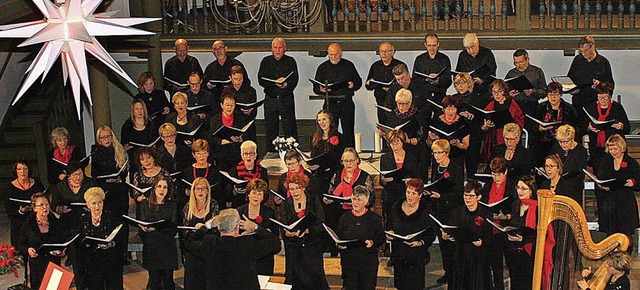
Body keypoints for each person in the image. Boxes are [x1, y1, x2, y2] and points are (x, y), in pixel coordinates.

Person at [186, 209, 278, 290]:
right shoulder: (247, 243)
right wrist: (256, 228)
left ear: (218, 227)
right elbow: (275, 243)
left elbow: (189, 243)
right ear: (237, 226)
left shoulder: (209, 243)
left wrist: (206, 226)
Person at [540, 154, 582, 289]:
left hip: (563, 225)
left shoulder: (567, 186)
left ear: (559, 168)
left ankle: (561, 286)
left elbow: (572, 207)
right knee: (548, 258)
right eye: (546, 166)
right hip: (548, 226)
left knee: (561, 259)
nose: (548, 169)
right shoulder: (544, 184)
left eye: (552, 166)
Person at [281, 173, 330, 289]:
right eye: (291, 189)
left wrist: (307, 230)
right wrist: (287, 232)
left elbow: (322, 224)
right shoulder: (286, 203)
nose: (294, 192)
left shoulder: (313, 200)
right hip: (294, 249)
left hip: (312, 247)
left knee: (315, 281)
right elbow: (284, 225)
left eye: (297, 188)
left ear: (303, 187)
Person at [386, 178, 436, 290]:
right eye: (408, 192)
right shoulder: (396, 206)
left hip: (416, 256)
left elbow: (432, 233)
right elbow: (389, 225)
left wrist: (421, 242)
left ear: (420, 195)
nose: (410, 196)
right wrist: (389, 234)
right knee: (400, 285)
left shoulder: (425, 210)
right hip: (399, 253)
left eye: (414, 193)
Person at [593, 134, 640, 253]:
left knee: (626, 234)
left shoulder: (631, 162)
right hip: (610, 203)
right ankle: (611, 260)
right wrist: (601, 186)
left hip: (625, 203)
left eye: (615, 149)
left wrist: (633, 182)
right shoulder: (606, 161)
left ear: (622, 148)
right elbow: (601, 178)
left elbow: (638, 179)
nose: (612, 151)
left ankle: (626, 259)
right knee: (611, 234)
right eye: (610, 149)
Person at [443, 181, 492, 289]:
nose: (467, 198)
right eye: (465, 195)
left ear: (479, 197)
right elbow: (450, 229)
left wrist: (482, 242)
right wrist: (446, 236)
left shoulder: (485, 214)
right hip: (460, 256)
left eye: (471, 196)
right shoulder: (457, 212)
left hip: (477, 258)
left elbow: (489, 236)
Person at [312, 42, 362, 148]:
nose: (333, 57)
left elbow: (358, 82)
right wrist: (321, 89)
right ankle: (330, 152)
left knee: (348, 131)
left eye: (335, 54)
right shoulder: (322, 67)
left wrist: (353, 84)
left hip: (346, 102)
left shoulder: (348, 65)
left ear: (341, 53)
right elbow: (315, 87)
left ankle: (349, 154)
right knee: (329, 131)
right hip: (330, 103)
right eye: (330, 54)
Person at [428, 139, 464, 284]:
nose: (436, 156)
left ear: (447, 152)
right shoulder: (436, 168)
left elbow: (458, 193)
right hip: (439, 211)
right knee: (443, 245)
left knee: (453, 245)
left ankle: (456, 273)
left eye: (439, 152)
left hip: (452, 211)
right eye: (434, 152)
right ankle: (448, 272)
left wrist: (441, 196)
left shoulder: (456, 168)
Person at [75, 187, 125, 290]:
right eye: (93, 203)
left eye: (100, 202)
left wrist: (111, 244)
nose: (97, 206)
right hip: (92, 260)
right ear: (88, 205)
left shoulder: (111, 217)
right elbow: (79, 241)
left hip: (110, 259)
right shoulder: (83, 219)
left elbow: (120, 238)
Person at [336, 186, 385, 290]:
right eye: (354, 199)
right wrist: (339, 245)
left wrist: (372, 242)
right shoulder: (344, 218)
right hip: (349, 263)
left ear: (366, 201)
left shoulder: (374, 218)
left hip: (367, 263)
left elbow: (381, 238)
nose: (355, 202)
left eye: (359, 199)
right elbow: (338, 237)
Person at [504, 175, 548, 290]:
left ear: (531, 190)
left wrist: (523, 240)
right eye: (518, 188)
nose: (520, 191)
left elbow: (541, 236)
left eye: (523, 188)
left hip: (530, 256)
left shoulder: (538, 208)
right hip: (513, 254)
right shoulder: (515, 205)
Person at [480, 157, 516, 290]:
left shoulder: (512, 185)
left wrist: (505, 216)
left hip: (506, 230)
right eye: (493, 174)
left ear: (505, 172)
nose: (496, 177)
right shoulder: (489, 185)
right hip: (492, 230)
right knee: (495, 266)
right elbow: (483, 203)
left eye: (498, 174)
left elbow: (516, 209)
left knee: (511, 265)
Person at [258, 37, 300, 151]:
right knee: (271, 128)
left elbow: (295, 79)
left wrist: (286, 84)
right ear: (271, 49)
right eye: (275, 48)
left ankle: (293, 153)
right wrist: (274, 83)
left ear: (285, 49)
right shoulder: (265, 61)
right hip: (270, 99)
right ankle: (271, 154)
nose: (277, 50)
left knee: (290, 128)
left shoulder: (290, 61)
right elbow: (261, 80)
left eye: (280, 48)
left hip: (286, 99)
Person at [138, 175, 178, 290]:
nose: (162, 190)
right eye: (159, 186)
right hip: (152, 248)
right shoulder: (145, 204)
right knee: (154, 282)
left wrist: (157, 229)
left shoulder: (172, 204)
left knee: (168, 282)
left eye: (165, 187)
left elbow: (173, 228)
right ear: (154, 188)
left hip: (167, 248)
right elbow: (141, 227)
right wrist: (143, 229)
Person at [18, 193, 66, 289]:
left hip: (53, 262)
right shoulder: (28, 224)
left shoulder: (56, 222)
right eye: (41, 205)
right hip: (37, 264)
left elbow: (62, 240)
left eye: (47, 204)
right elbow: (20, 244)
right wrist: (28, 249)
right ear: (34, 208)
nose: (45, 207)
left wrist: (62, 251)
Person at [325, 148, 375, 237]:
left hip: (359, 215)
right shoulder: (337, 175)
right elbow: (331, 193)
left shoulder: (364, 176)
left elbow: (371, 199)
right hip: (338, 214)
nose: (348, 164)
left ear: (357, 160)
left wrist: (356, 202)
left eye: (351, 160)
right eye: (346, 161)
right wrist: (327, 199)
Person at [236, 179, 281, 275]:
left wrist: (256, 228)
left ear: (263, 197)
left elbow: (274, 238)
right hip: (244, 258)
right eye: (254, 193)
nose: (256, 196)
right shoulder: (239, 211)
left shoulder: (269, 213)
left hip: (264, 260)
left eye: (260, 194)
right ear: (248, 194)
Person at [181, 177, 219, 290]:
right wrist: (196, 230)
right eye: (197, 189)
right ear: (193, 191)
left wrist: (202, 228)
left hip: (208, 249)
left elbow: (216, 229)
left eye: (203, 188)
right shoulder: (188, 207)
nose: (200, 191)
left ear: (208, 191)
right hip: (193, 249)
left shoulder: (213, 205)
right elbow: (184, 232)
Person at [584, 82, 630, 168]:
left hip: (614, 148)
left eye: (606, 97)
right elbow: (583, 126)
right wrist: (589, 127)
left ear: (610, 96)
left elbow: (627, 128)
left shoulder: (617, 107)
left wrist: (621, 126)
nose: (603, 100)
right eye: (600, 97)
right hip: (597, 149)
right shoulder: (591, 107)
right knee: (598, 172)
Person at [453, 72, 490, 176]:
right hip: (458, 136)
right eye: (457, 83)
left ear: (469, 84)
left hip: (474, 135)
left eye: (463, 83)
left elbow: (483, 118)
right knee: (456, 168)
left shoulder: (479, 99)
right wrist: (458, 113)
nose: (460, 86)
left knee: (472, 166)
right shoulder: (452, 99)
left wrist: (484, 126)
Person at [533, 82, 579, 165]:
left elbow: (576, 128)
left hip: (562, 143)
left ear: (561, 95)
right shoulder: (541, 107)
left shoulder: (569, 109)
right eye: (550, 94)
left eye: (555, 94)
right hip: (544, 142)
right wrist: (540, 128)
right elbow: (534, 124)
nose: (552, 97)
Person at [567, 36, 615, 117]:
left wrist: (600, 85)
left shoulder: (603, 62)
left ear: (593, 47)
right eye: (581, 51)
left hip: (595, 102)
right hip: (579, 101)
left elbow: (610, 84)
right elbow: (570, 79)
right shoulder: (578, 60)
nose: (583, 54)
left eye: (586, 50)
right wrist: (571, 89)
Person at [480, 80, 525, 163]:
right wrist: (485, 126)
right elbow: (483, 124)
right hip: (494, 138)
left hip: (509, 137)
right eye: (494, 92)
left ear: (504, 91)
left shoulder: (512, 103)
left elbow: (520, 121)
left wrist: (513, 128)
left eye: (499, 91)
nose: (496, 95)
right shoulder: (491, 104)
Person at [379, 130, 420, 219]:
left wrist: (411, 181)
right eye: (392, 144)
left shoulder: (411, 157)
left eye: (397, 143)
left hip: (406, 195)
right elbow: (381, 181)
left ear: (403, 142)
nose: (394, 146)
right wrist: (384, 180)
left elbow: (418, 178)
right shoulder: (385, 158)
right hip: (390, 195)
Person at [5, 160, 45, 247]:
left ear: (29, 170)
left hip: (36, 220)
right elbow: (9, 210)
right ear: (15, 171)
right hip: (19, 221)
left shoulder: (37, 183)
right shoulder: (9, 188)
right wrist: (21, 211)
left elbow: (44, 200)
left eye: (25, 169)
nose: (22, 172)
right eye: (19, 169)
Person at [91, 125, 129, 216]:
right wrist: (107, 179)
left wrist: (119, 178)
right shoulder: (96, 153)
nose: (106, 139)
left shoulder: (119, 150)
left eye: (108, 136)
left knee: (122, 213)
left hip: (119, 187)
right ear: (99, 140)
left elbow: (124, 170)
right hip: (105, 188)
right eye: (103, 137)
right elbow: (94, 174)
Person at [365, 41, 405, 124]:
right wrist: (369, 83)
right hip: (381, 102)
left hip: (397, 104)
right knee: (383, 128)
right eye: (382, 51)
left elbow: (405, 83)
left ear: (393, 52)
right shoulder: (375, 66)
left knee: (396, 128)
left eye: (387, 51)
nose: (384, 54)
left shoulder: (399, 65)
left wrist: (392, 88)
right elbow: (368, 85)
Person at [209, 91, 249, 172]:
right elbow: (210, 138)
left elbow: (246, 135)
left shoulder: (240, 118)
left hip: (236, 153)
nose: (229, 108)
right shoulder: (214, 119)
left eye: (232, 105)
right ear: (221, 105)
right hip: (220, 154)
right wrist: (221, 141)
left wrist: (241, 139)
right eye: (227, 105)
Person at [50, 161, 96, 231]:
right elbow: (54, 205)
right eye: (75, 175)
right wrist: (61, 209)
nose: (78, 177)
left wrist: (92, 208)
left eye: (80, 174)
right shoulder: (60, 186)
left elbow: (97, 199)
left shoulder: (90, 183)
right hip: (68, 218)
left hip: (86, 216)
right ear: (69, 175)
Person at [308, 110, 344, 196]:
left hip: (333, 176)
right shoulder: (315, 138)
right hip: (319, 176)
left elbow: (338, 158)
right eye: (319, 120)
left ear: (330, 120)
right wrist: (311, 165)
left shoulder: (339, 137)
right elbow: (313, 156)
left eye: (324, 119)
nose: (321, 122)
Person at [427, 95, 470, 166]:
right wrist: (432, 139)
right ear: (443, 109)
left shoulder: (463, 123)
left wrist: (458, 144)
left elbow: (466, 146)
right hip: (439, 157)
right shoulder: (436, 121)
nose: (451, 112)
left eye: (453, 109)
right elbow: (429, 144)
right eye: (448, 109)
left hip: (456, 156)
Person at [179, 139, 223, 208]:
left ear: (208, 154)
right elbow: (182, 189)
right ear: (193, 155)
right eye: (198, 154)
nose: (201, 157)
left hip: (211, 205)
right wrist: (187, 192)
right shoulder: (188, 170)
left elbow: (219, 191)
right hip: (192, 205)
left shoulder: (215, 170)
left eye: (204, 153)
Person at [412, 33, 452, 107]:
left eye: (434, 45)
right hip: (423, 97)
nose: (431, 48)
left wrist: (438, 81)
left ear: (438, 44)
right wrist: (426, 80)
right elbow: (414, 80)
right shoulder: (419, 59)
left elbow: (448, 80)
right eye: (429, 45)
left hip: (440, 95)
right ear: (425, 44)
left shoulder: (444, 59)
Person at [548, 125, 587, 200]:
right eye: (560, 141)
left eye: (566, 141)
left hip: (573, 187)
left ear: (572, 139)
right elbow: (551, 161)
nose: (563, 144)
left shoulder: (581, 151)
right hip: (557, 184)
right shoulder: (556, 147)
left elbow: (580, 174)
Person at [121, 98, 159, 174]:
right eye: (136, 109)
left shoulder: (151, 125)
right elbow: (123, 145)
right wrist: (127, 147)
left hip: (150, 160)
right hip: (134, 161)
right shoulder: (127, 126)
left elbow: (155, 141)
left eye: (141, 109)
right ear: (133, 111)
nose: (139, 111)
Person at [505, 49, 547, 116]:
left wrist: (533, 91)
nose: (519, 65)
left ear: (527, 59)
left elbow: (545, 91)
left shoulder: (537, 71)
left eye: (521, 62)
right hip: (515, 105)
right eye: (516, 62)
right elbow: (505, 91)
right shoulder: (511, 73)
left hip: (532, 105)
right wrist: (509, 94)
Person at [227, 140, 269, 208]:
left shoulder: (262, 171)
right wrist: (234, 191)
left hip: (257, 206)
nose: (248, 156)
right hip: (239, 205)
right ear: (242, 156)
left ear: (255, 156)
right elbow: (228, 195)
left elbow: (266, 195)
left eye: (251, 153)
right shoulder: (234, 170)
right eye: (246, 153)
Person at [383, 88, 424, 156]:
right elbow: (389, 137)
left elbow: (422, 138)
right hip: (394, 151)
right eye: (398, 103)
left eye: (403, 104)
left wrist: (410, 140)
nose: (400, 107)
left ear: (409, 103)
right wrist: (385, 134)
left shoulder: (418, 116)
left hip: (412, 152)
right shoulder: (392, 115)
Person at [386, 63, 428, 127]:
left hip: (417, 123)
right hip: (398, 123)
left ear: (408, 75)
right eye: (397, 79)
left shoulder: (420, 86)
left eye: (402, 78)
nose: (400, 81)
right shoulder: (393, 89)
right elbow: (388, 108)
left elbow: (426, 107)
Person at [226, 65, 258, 142]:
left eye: (240, 79)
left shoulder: (251, 91)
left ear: (243, 78)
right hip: (232, 125)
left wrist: (249, 112)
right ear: (230, 78)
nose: (237, 82)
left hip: (247, 125)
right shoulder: (226, 91)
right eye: (235, 79)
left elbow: (254, 110)